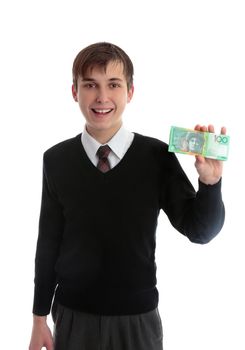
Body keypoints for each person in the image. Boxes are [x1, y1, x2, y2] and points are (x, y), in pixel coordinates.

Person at [29, 42, 226, 350]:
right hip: (73, 317)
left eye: (114, 85)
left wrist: (210, 184)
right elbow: (49, 242)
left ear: (130, 92)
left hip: (138, 320)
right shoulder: (56, 160)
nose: (102, 97)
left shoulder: (157, 156)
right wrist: (39, 318)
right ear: (74, 92)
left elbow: (200, 230)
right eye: (90, 85)